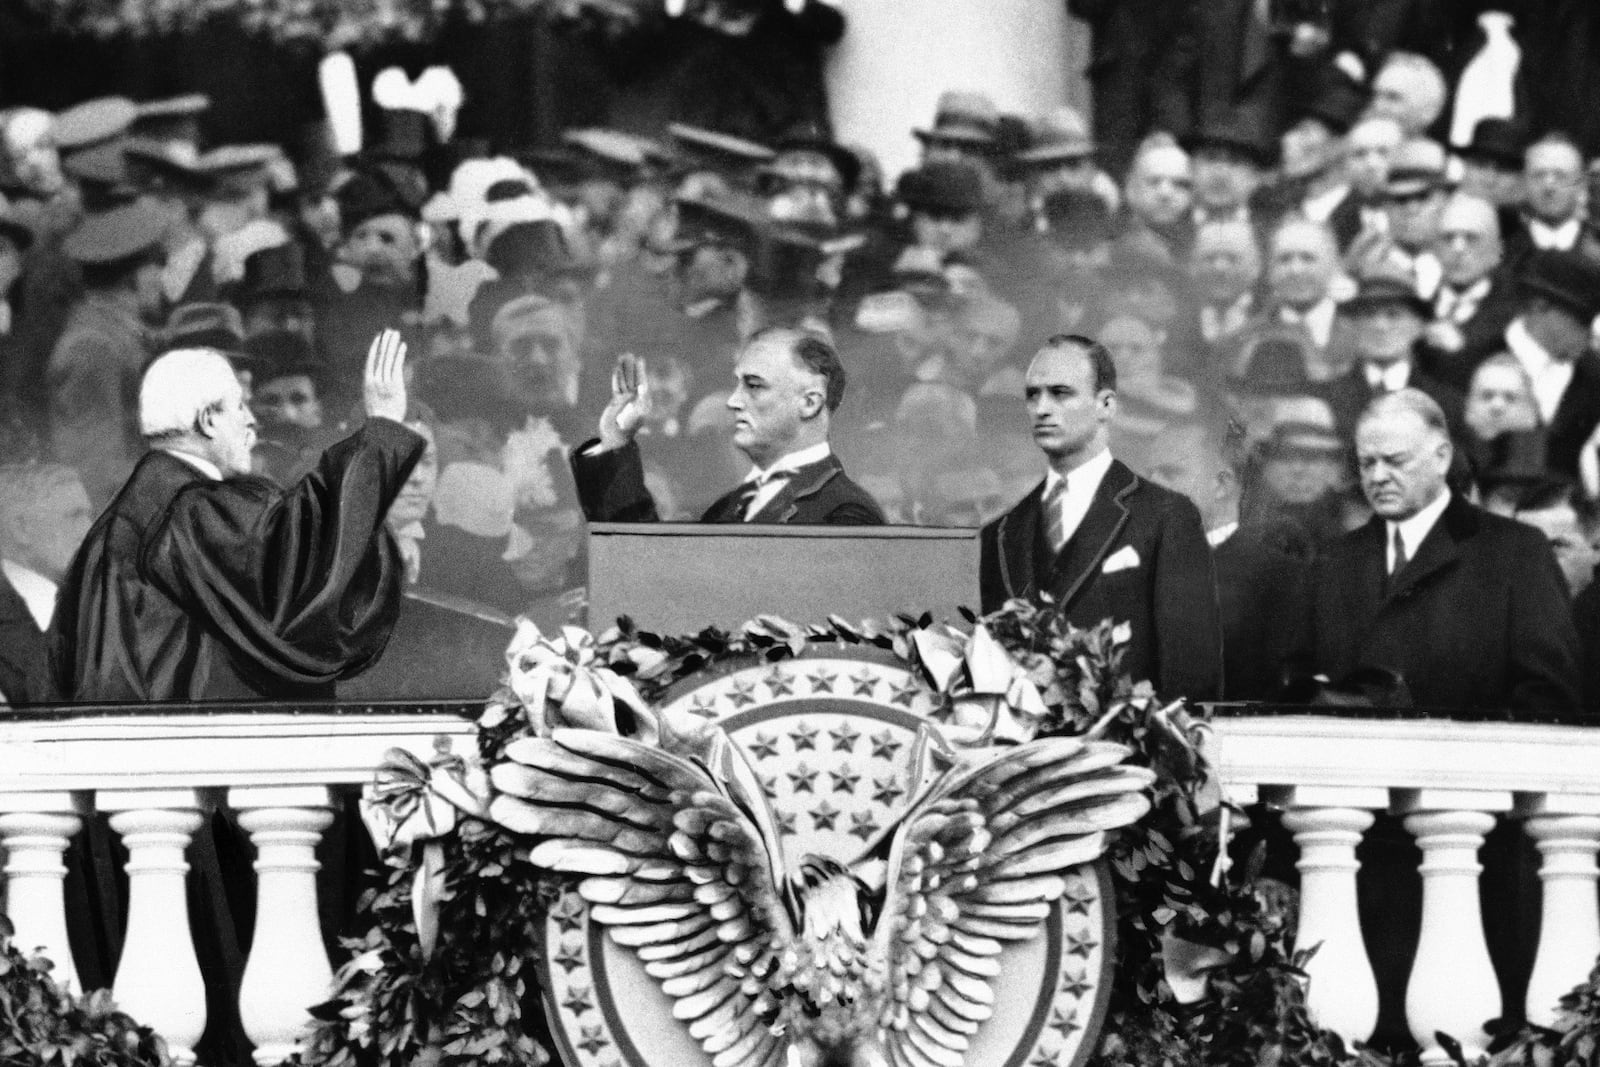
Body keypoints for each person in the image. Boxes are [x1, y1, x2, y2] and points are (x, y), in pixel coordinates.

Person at [52, 328, 427, 702]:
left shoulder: (121, 519)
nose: (252, 422)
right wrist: (382, 433)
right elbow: (294, 569)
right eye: (240, 408)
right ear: (208, 421)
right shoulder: (188, 509)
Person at [1307, 387, 1580, 715]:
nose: (1378, 477)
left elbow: (1550, 695)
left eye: (1396, 461)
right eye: (1367, 463)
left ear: (1441, 458)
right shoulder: (1332, 561)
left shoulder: (1517, 551)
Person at [979, 334, 1221, 701]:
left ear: (1105, 404)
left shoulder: (1165, 516)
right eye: (1033, 394)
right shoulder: (1001, 532)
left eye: (1061, 393)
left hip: (1127, 748)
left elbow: (1191, 670)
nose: (1042, 408)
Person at [571, 327, 885, 525]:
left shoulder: (846, 514)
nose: (733, 402)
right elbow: (650, 569)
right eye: (737, 385)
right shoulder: (728, 508)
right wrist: (616, 442)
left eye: (754, 386)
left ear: (810, 403)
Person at [0, 462, 92, 705]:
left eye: (88, 516)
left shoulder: (97, 608)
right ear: (22, 529)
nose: (89, 530)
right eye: (74, 516)